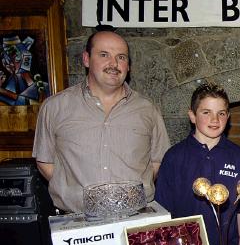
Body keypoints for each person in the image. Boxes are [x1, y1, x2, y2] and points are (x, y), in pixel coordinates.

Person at [32, 29, 170, 213]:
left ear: (128, 66)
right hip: (77, 223)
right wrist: (73, 192)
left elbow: (157, 161)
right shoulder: (55, 107)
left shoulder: (148, 109)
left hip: (135, 221)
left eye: (121, 57)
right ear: (86, 59)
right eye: (104, 54)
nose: (114, 63)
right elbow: (45, 162)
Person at [155, 83, 240, 245]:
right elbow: (163, 212)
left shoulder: (239, 156)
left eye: (221, 113)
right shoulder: (174, 157)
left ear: (228, 116)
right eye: (206, 112)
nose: (215, 119)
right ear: (192, 115)